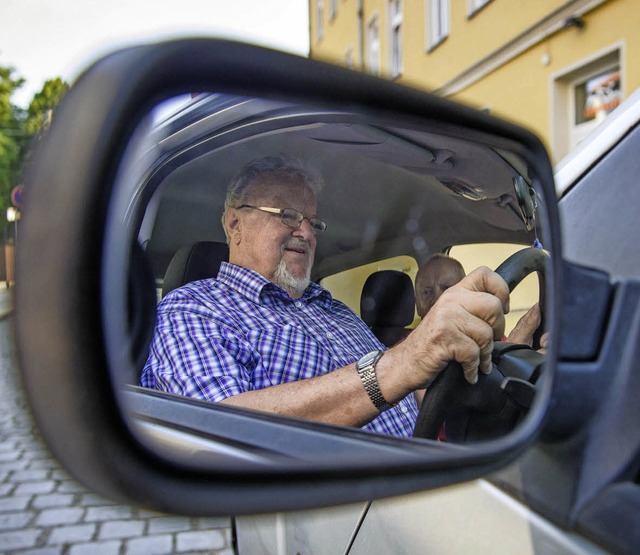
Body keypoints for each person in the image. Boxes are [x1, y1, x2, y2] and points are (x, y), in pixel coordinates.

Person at [141, 154, 510, 438]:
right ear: (235, 224)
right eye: (287, 215)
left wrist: (505, 355)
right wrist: (400, 364)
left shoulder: (333, 308)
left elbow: (406, 401)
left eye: (312, 221)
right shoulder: (192, 309)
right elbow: (216, 427)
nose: (306, 232)